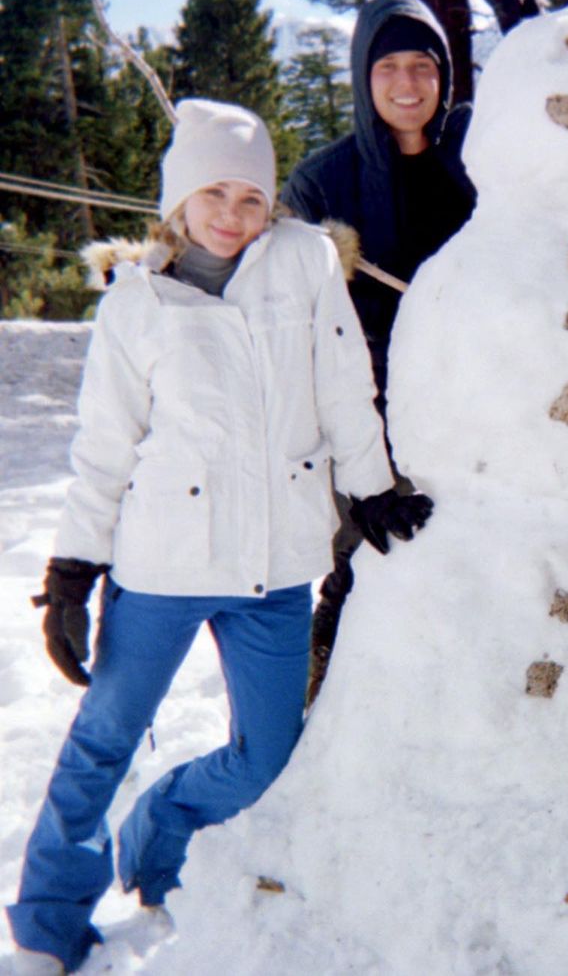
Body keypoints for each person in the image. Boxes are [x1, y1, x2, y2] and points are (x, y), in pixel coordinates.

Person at [6, 100, 431, 974]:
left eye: (251, 197)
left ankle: (159, 827)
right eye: (215, 194)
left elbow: (347, 386)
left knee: (266, 757)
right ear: (178, 201)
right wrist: (74, 563)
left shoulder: (306, 262)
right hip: (163, 561)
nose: (233, 215)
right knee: (103, 738)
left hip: (274, 566)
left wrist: (372, 484)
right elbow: (103, 446)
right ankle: (49, 924)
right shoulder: (137, 304)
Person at [281, 0, 476, 693]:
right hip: (368, 406)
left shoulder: (479, 156)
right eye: (387, 65)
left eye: (423, 65)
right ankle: (322, 706)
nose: (406, 84)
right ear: (364, 77)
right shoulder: (323, 183)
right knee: (359, 561)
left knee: (472, 561)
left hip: (475, 400)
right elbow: (294, 324)